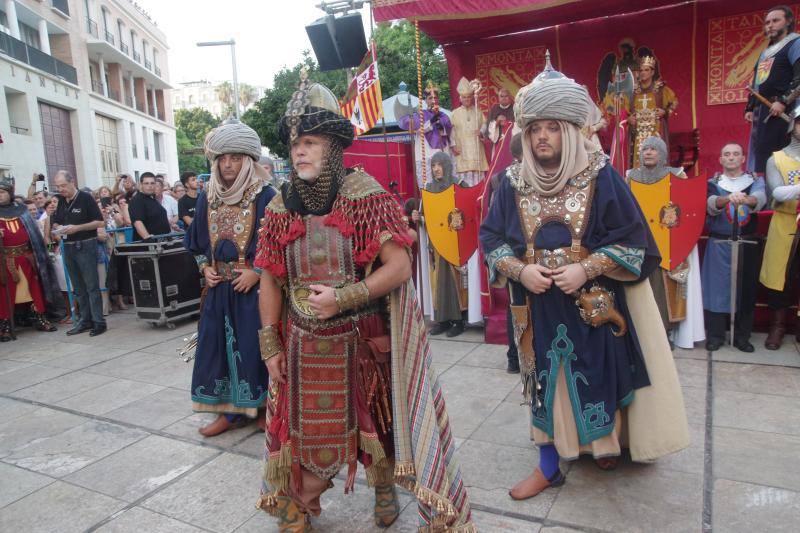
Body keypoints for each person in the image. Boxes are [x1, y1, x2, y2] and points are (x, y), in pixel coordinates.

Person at [254, 74, 473, 532]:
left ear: (333, 146)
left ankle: (385, 486)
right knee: (301, 425)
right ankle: (302, 498)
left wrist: (344, 297)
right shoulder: (278, 206)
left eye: (310, 142)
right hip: (299, 341)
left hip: (360, 334)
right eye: (295, 143)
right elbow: (270, 278)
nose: (300, 152)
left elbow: (399, 266)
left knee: (378, 420)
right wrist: (269, 345)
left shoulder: (365, 195)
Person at [479, 56, 688, 500]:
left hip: (593, 303)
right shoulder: (511, 182)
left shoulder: (602, 177)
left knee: (598, 374)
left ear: (570, 131)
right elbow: (491, 237)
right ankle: (549, 465)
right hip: (536, 303)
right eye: (535, 129)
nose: (542, 137)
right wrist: (520, 269)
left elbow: (636, 242)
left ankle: (604, 445)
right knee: (543, 383)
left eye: (552, 127)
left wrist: (585, 268)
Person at [184, 120, 276, 437]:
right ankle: (228, 413)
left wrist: (257, 272)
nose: (227, 165)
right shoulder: (206, 198)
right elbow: (195, 241)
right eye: (222, 158)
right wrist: (203, 268)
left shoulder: (267, 196)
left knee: (256, 348)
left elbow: (282, 243)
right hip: (219, 289)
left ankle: (264, 408)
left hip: (256, 291)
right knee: (217, 349)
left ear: (248, 160)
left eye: (235, 157)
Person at [626, 136, 705, 349]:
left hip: (667, 242)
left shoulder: (676, 175)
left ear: (662, 154)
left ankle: (664, 332)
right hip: (640, 243)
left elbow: (688, 208)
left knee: (664, 291)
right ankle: (642, 333)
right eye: (645, 149)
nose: (648, 152)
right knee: (641, 288)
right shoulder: (630, 177)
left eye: (653, 149)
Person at [702, 144, 766, 352]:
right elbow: (710, 203)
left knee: (745, 290)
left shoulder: (754, 181)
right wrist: (726, 199)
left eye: (736, 154)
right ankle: (716, 335)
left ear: (742, 158)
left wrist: (745, 199)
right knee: (716, 289)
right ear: (720, 159)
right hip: (719, 242)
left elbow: (760, 199)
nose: (731, 157)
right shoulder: (713, 182)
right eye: (726, 154)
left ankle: (742, 336)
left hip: (747, 242)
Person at [411, 152, 468, 337]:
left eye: (439, 164)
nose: (436, 169)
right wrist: (417, 217)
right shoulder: (428, 189)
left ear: (446, 165)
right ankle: (442, 320)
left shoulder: (459, 186)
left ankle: (459, 321)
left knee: (453, 283)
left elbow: (468, 213)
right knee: (437, 283)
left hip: (454, 244)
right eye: (433, 165)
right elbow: (425, 217)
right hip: (435, 245)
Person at [760, 106, 800, 349]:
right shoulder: (777, 159)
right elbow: (777, 191)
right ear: (792, 125)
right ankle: (778, 326)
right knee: (780, 278)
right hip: (786, 222)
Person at [0, 177, 59, 341]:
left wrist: (43, 254)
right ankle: (5, 326)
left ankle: (40, 318)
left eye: (2, 192)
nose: (0, 195)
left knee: (35, 290)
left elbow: (35, 235)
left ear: (10, 193)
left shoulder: (22, 210)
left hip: (27, 258)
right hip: (5, 261)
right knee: (5, 295)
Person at [51, 170, 107, 337]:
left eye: (64, 186)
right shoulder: (60, 201)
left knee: (91, 285)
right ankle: (85, 319)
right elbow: (56, 220)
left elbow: (100, 221)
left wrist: (78, 228)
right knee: (78, 286)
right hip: (67, 245)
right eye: (58, 186)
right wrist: (57, 228)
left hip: (85, 243)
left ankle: (99, 321)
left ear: (72, 182)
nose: (61, 189)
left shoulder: (85, 198)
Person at [745, 5, 800, 174]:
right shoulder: (766, 53)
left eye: (775, 20)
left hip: (789, 111)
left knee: (788, 159)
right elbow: (757, 83)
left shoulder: (795, 43)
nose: (770, 25)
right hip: (765, 113)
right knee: (766, 161)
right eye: (767, 22)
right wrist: (750, 107)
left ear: (789, 21)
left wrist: (783, 102)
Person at [398, 81, 453, 186]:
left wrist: (441, 126)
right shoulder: (420, 115)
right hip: (425, 152)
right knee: (427, 184)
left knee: (443, 183)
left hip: (440, 151)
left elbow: (449, 133)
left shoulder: (444, 116)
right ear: (426, 100)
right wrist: (431, 122)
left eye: (435, 98)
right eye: (430, 98)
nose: (433, 100)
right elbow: (416, 130)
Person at [625, 56, 678, 164]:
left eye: (646, 70)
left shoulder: (660, 89)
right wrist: (628, 119)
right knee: (638, 160)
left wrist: (665, 112)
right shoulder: (633, 91)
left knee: (656, 158)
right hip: (638, 132)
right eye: (641, 70)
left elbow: (674, 103)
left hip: (656, 129)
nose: (643, 73)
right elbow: (623, 111)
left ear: (652, 72)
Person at [451, 77, 489, 185]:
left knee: (478, 181)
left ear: (472, 97)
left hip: (476, 150)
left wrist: (481, 131)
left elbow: (485, 124)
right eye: (464, 97)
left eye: (468, 97)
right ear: (460, 98)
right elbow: (451, 132)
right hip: (462, 151)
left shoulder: (478, 111)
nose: (467, 99)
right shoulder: (454, 113)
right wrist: (453, 146)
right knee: (464, 182)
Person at [128, 172, 170, 241]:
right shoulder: (137, 200)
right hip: (149, 247)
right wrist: (147, 238)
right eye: (146, 183)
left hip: (163, 242)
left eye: (152, 183)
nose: (150, 186)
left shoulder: (152, 199)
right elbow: (137, 222)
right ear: (141, 185)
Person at [482, 87, 515, 160]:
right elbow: (488, 124)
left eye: (506, 96)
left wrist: (506, 123)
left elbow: (518, 126)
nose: (504, 98)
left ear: (509, 97)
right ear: (498, 97)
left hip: (511, 142)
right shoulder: (494, 108)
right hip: (498, 143)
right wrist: (497, 122)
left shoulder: (515, 108)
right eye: (501, 96)